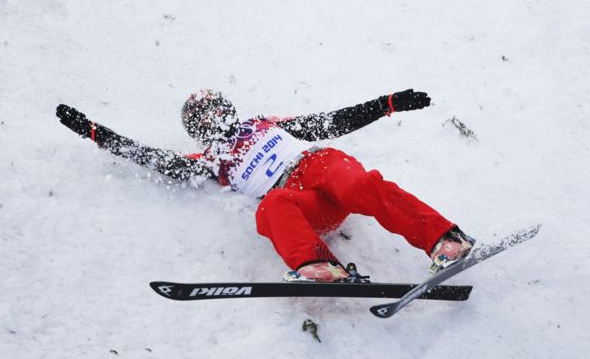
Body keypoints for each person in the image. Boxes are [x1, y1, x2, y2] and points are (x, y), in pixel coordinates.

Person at [56, 89, 475, 282]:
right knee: (271, 205)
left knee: (356, 185)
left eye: (216, 110)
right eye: (203, 119)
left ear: (229, 109)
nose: (213, 119)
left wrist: (385, 105)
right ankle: (318, 266)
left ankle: (444, 239)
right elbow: (156, 160)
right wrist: (97, 133)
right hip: (301, 199)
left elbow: (331, 122)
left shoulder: (265, 124)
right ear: (197, 132)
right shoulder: (207, 161)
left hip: (318, 165)